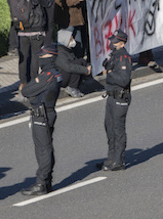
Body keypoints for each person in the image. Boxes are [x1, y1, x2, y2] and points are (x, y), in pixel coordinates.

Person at [20, 44, 61, 196]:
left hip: (41, 115)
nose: (40, 58)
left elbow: (26, 91)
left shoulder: (47, 75)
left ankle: (41, 183)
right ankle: (47, 180)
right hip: (47, 113)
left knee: (43, 149)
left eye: (42, 56)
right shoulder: (55, 73)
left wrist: (34, 89)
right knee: (47, 147)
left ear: (49, 57)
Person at [13, 0, 53, 90]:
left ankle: (23, 81)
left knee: (23, 55)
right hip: (36, 27)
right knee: (36, 55)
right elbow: (47, 3)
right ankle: (34, 79)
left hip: (21, 26)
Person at [99, 30, 132, 171]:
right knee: (109, 127)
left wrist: (110, 73)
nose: (111, 43)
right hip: (111, 96)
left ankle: (119, 160)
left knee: (118, 129)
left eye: (115, 42)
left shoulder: (124, 57)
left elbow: (124, 80)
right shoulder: (115, 55)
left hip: (120, 97)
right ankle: (111, 157)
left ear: (122, 43)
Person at [56, 28, 91, 98]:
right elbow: (68, 67)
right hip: (61, 78)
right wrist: (85, 70)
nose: (73, 41)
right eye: (70, 39)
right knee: (76, 65)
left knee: (80, 61)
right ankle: (71, 87)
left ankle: (77, 85)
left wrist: (88, 66)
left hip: (66, 75)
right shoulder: (60, 53)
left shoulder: (67, 50)